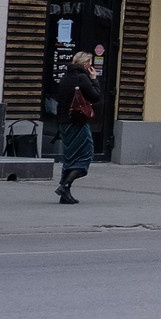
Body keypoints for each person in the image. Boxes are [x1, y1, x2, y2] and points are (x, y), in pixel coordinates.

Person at [54, 51, 104, 205]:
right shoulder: (82, 78)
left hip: (64, 123)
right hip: (78, 123)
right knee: (85, 156)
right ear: (85, 64)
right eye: (90, 62)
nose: (91, 66)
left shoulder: (65, 77)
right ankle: (65, 185)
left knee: (69, 158)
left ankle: (65, 195)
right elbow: (95, 96)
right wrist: (94, 80)